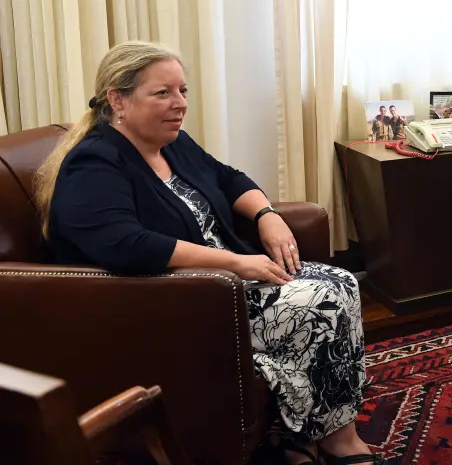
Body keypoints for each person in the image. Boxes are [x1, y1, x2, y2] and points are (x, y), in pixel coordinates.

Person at [35, 42, 381, 465]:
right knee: (320, 303)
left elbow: (229, 178)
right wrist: (236, 263)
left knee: (341, 281)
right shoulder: (94, 163)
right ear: (117, 99)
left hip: (225, 280)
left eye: (182, 91)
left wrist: (267, 215)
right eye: (162, 93)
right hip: (174, 296)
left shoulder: (171, 142)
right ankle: (336, 440)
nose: (179, 104)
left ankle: (308, 435)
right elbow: (127, 244)